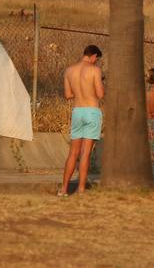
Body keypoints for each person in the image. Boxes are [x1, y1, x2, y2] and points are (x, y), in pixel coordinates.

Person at [58, 44, 104, 196]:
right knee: (85, 153)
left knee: (73, 153)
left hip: (77, 111)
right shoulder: (95, 70)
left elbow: (68, 95)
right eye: (96, 59)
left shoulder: (69, 70)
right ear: (94, 56)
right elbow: (100, 93)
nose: (96, 62)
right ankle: (81, 189)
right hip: (92, 111)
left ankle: (64, 189)